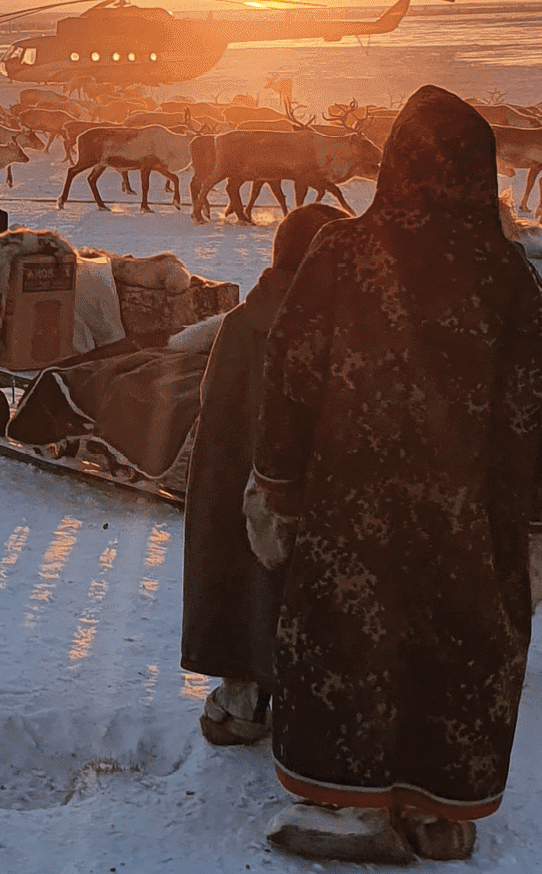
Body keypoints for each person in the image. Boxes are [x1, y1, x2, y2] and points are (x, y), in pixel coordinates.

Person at [243, 85, 542, 863]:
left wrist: (276, 485)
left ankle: (355, 811)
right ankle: (440, 815)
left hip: (346, 516)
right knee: (458, 650)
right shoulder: (501, 272)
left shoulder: (338, 254)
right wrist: (530, 509)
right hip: (470, 522)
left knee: (349, 645)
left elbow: (289, 375)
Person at [179, 202, 349, 746]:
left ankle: (243, 700)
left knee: (245, 583)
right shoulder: (347, 330)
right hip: (316, 487)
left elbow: (213, 400)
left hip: (238, 478)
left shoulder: (241, 324)